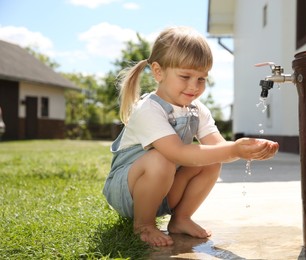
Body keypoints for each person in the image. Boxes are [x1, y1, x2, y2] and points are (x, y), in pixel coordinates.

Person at [103, 26, 279, 247]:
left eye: (201, 79)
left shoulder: (197, 109)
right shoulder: (149, 109)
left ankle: (181, 219)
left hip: (164, 190)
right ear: (158, 72)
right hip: (128, 192)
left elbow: (219, 148)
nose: (194, 86)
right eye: (185, 76)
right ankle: (143, 225)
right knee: (161, 158)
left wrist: (246, 149)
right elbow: (178, 152)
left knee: (211, 159)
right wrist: (234, 149)